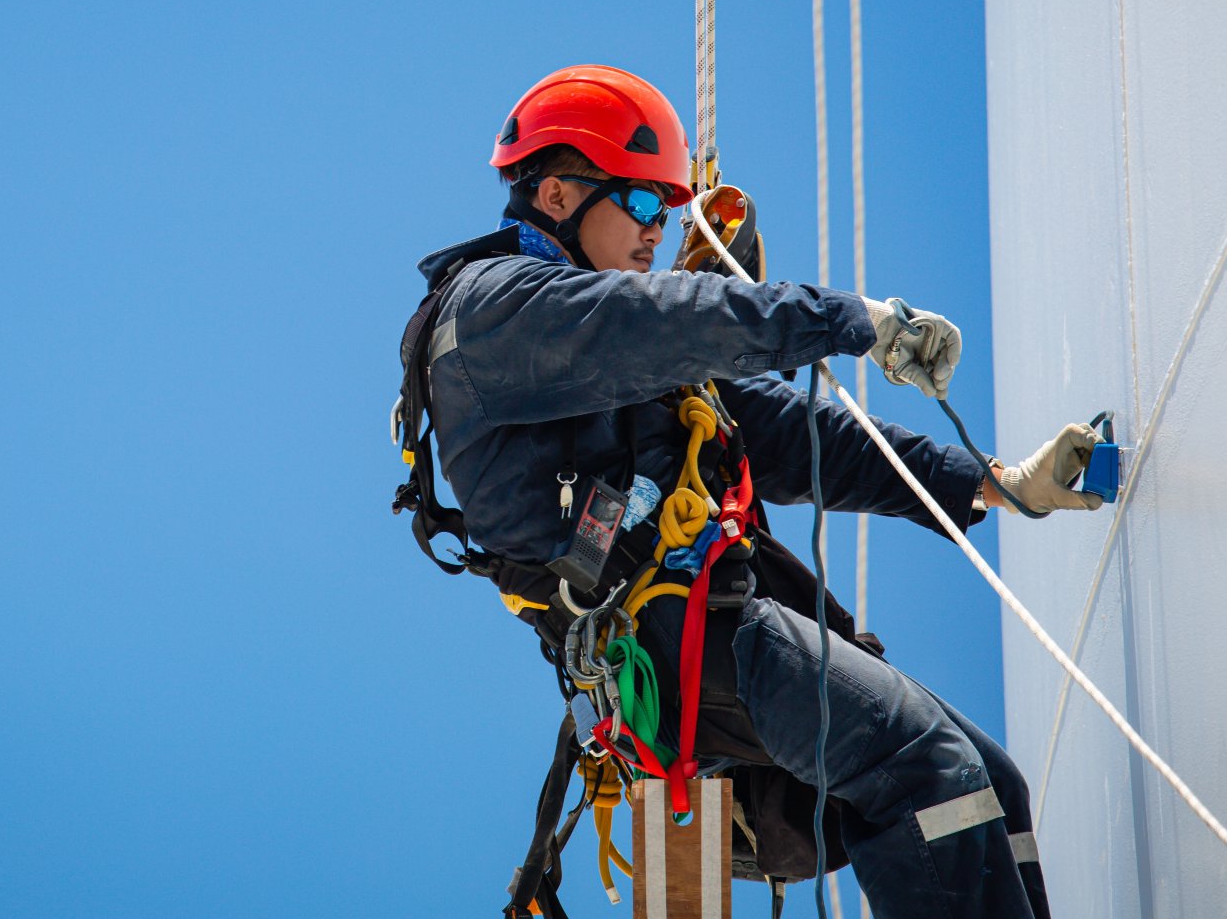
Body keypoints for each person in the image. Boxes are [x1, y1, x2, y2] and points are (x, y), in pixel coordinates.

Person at [396, 64, 1101, 919]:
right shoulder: (497, 311)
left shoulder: (611, 351)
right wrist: (850, 320)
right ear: (555, 195)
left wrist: (993, 484)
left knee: (990, 781)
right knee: (926, 766)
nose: (662, 230)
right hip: (667, 632)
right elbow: (669, 319)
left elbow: (790, 437)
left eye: (672, 210)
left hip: (713, 619)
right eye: (647, 205)